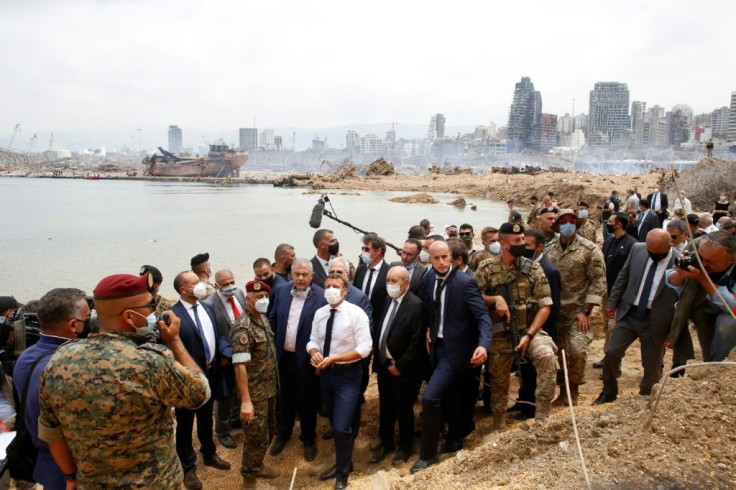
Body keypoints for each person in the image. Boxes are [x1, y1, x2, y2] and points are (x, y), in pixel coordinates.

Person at [38, 273, 210, 488]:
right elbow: (200, 394)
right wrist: (174, 341)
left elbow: (52, 433)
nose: (155, 311)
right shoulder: (149, 362)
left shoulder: (58, 362)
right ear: (130, 317)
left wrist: (70, 477)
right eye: (150, 305)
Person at [410, 241, 491, 474]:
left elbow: (482, 316)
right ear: (430, 259)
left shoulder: (465, 282)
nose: (442, 262)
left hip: (457, 352)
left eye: (445, 257)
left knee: (430, 397)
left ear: (453, 257)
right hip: (436, 347)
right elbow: (428, 308)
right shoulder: (428, 279)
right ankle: (455, 440)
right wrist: (428, 329)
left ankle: (428, 455)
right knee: (451, 395)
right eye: (436, 258)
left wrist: (483, 345)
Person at [474, 223, 558, 426]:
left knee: (547, 357)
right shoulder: (486, 269)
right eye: (517, 241)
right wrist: (494, 299)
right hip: (500, 334)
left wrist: (529, 335)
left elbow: (545, 306)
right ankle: (498, 422)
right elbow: (473, 297)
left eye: (523, 239)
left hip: (529, 331)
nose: (522, 244)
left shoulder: (533, 269)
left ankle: (542, 417)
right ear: (504, 244)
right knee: (498, 380)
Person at [13, 288, 90, 489]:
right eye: (88, 318)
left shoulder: (25, 356)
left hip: (45, 463)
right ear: (74, 325)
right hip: (70, 468)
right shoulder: (67, 365)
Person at [594, 229, 680, 404]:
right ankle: (608, 392)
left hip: (656, 320)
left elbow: (682, 300)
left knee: (652, 365)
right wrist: (612, 302)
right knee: (612, 352)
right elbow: (623, 277)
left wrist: (673, 331)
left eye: (657, 253)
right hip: (630, 314)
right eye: (650, 251)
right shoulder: (638, 249)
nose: (652, 255)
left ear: (669, 245)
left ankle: (646, 397)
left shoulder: (679, 261)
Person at [308, 273, 372, 490]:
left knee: (342, 425)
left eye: (335, 286)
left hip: (348, 375)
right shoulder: (320, 313)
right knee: (335, 423)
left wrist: (336, 358)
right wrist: (314, 353)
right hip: (326, 375)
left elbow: (365, 348)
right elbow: (313, 340)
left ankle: (342, 475)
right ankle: (345, 462)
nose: (330, 290)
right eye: (327, 286)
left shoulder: (356, 314)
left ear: (345, 291)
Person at [171, 271, 233, 489]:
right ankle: (188, 467)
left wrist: (225, 352)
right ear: (183, 290)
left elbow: (219, 335)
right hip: (187, 380)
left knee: (207, 417)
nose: (200, 285)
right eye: (195, 283)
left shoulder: (207, 308)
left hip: (211, 372)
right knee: (186, 423)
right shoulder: (172, 316)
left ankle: (209, 453)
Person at [544, 209, 606, 405]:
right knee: (558, 354)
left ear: (577, 225)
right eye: (564, 221)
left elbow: (599, 281)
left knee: (577, 351)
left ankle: (574, 390)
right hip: (554, 313)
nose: (568, 224)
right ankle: (563, 393)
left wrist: (586, 311)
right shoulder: (549, 248)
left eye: (572, 221)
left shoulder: (590, 250)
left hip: (577, 312)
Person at [268, 258, 326, 461]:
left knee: (307, 400)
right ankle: (282, 434)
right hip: (284, 358)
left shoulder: (321, 296)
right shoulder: (281, 291)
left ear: (312, 275)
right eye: (297, 274)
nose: (300, 278)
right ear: (291, 274)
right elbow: (273, 317)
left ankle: (308, 439)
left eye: (304, 274)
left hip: (307, 359)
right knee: (284, 399)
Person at [370, 266, 425, 465]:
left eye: (395, 281)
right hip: (385, 365)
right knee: (385, 406)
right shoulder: (387, 300)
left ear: (406, 283)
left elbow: (417, 343)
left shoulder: (416, 305)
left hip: (404, 369)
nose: (390, 285)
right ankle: (386, 443)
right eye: (388, 281)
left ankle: (405, 446)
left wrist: (400, 365)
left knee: (404, 408)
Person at [231, 280, 279, 489]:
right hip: (254, 394)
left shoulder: (263, 319)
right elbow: (240, 366)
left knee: (268, 431)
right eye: (258, 298)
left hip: (269, 389)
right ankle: (249, 479)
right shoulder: (243, 327)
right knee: (255, 438)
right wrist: (246, 401)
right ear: (248, 299)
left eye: (265, 297)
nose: (263, 300)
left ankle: (257, 465)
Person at [666, 230, 736, 362]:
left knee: (727, 323)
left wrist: (701, 278)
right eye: (701, 258)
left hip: (727, 316)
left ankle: (719, 369)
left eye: (710, 262)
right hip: (701, 310)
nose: (703, 264)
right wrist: (680, 273)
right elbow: (670, 279)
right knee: (708, 352)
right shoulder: (696, 247)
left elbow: (733, 307)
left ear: (732, 259)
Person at [203, 269, 247, 449]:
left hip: (243, 352)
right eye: (225, 284)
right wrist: (222, 355)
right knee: (224, 394)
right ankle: (222, 431)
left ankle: (236, 420)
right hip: (224, 357)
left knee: (240, 388)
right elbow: (212, 333)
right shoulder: (209, 304)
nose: (230, 287)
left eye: (232, 282)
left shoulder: (239, 293)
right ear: (216, 286)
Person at [593, 212, 637, 369]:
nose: (608, 224)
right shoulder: (609, 241)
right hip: (607, 290)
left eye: (610, 222)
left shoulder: (632, 245)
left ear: (619, 224)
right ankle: (607, 356)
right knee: (606, 326)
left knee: (615, 328)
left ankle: (614, 363)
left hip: (622, 294)